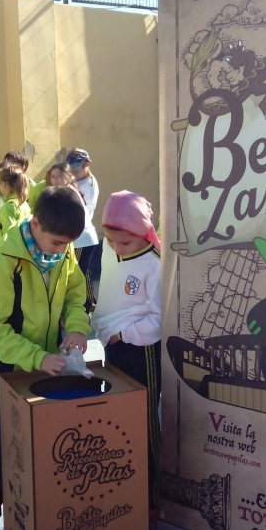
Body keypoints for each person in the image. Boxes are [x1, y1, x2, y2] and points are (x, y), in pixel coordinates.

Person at [0, 186, 90, 530]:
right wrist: (36, 357)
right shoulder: (4, 258)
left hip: (52, 366)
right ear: (35, 224)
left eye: (68, 244)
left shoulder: (63, 248)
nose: (62, 250)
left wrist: (77, 327)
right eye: (57, 243)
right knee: (3, 449)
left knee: (51, 447)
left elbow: (76, 294)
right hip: (12, 371)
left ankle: (42, 517)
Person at [92, 191, 162, 509]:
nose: (116, 248)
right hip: (113, 345)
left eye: (125, 242)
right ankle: (127, 489)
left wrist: (124, 334)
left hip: (140, 350)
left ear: (143, 232)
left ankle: (153, 497)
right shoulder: (110, 250)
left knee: (143, 422)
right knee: (118, 418)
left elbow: (160, 319)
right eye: (110, 240)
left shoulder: (154, 264)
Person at [67, 148, 100, 312]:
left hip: (83, 237)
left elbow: (84, 211)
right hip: (77, 236)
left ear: (87, 164)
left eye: (77, 169)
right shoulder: (77, 181)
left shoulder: (89, 186)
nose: (73, 172)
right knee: (79, 273)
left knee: (81, 273)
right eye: (71, 169)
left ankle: (89, 305)